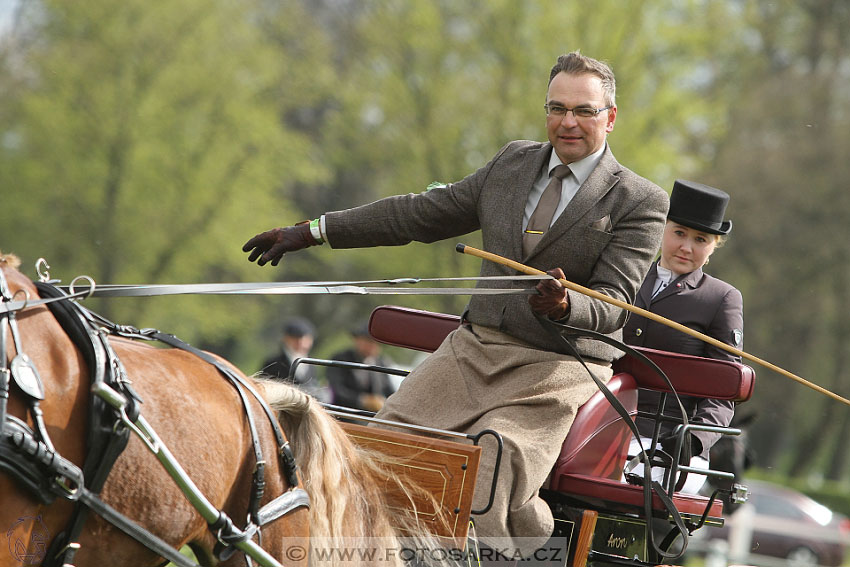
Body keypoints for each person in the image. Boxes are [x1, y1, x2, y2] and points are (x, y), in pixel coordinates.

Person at [242, 51, 669, 556]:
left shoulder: (639, 200)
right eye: (557, 108)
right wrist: (313, 231)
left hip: (556, 369)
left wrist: (565, 307)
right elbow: (419, 215)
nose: (568, 122)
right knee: (378, 451)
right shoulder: (511, 164)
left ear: (610, 118)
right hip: (471, 350)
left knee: (489, 464)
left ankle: (517, 552)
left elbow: (615, 303)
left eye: (584, 111)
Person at [623, 180, 744, 493]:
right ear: (662, 229)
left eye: (700, 239)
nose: (686, 247)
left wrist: (693, 438)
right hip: (601, 427)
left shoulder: (721, 298)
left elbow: (722, 391)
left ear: (713, 245)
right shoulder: (626, 276)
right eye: (678, 233)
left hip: (669, 445)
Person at [327, 322, 397, 412]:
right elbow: (336, 390)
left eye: (377, 343)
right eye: (368, 341)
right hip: (343, 414)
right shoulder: (340, 359)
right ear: (357, 340)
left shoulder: (381, 363)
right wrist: (363, 401)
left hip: (372, 417)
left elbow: (389, 390)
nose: (373, 346)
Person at [260, 316, 331, 402]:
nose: (301, 343)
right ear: (286, 338)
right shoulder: (273, 363)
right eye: (296, 339)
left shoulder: (312, 364)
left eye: (305, 339)